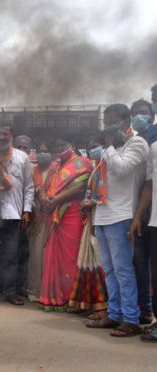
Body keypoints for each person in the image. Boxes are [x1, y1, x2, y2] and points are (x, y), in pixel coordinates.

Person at [85, 104, 149, 337]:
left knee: (123, 270)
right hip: (103, 214)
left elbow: (122, 170)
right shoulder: (108, 150)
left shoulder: (137, 144)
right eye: (105, 123)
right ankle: (115, 314)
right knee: (109, 270)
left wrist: (109, 146)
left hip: (122, 215)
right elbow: (101, 183)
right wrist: (95, 215)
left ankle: (131, 319)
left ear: (126, 121)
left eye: (112, 122)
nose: (107, 127)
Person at [0, 122, 34, 306]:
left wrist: (27, 210)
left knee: (11, 255)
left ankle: (9, 291)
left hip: (13, 213)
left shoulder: (22, 158)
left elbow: (29, 186)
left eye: (5, 134)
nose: (2, 137)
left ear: (11, 135)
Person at [37, 134, 90, 311]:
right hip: (53, 215)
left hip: (72, 213)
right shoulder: (53, 167)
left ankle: (73, 298)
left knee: (72, 256)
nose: (60, 149)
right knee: (54, 257)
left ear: (72, 144)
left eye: (63, 145)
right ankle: (55, 297)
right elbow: (44, 188)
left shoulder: (82, 162)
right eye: (57, 146)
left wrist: (55, 199)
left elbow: (81, 187)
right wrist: (44, 199)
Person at [67, 135, 108, 315]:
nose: (93, 150)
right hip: (92, 218)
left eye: (96, 146)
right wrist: (87, 202)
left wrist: (92, 202)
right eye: (90, 147)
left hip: (105, 218)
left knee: (101, 261)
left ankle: (105, 306)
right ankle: (87, 302)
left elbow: (111, 192)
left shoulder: (108, 166)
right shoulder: (95, 168)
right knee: (87, 258)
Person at [128, 99, 155, 324]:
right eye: (135, 112)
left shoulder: (153, 140)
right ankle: (144, 310)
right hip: (138, 209)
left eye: (143, 112)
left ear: (152, 114)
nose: (139, 116)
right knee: (139, 261)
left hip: (151, 209)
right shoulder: (131, 141)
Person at [27, 142, 53, 300]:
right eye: (40, 151)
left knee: (49, 255)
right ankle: (35, 290)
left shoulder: (57, 171)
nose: (42, 154)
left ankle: (50, 290)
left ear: (52, 155)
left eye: (46, 151)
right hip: (36, 218)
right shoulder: (31, 170)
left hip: (52, 217)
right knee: (36, 254)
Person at [14, 134, 33, 296]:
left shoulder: (33, 166)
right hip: (8, 215)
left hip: (27, 217)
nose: (22, 150)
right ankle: (5, 287)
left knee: (22, 253)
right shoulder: (8, 162)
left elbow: (30, 189)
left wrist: (27, 209)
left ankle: (21, 288)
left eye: (25, 147)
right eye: (19, 146)